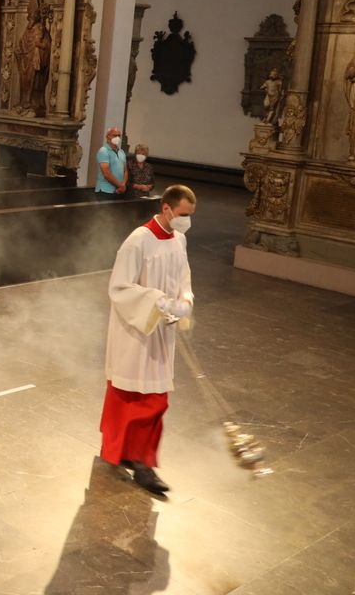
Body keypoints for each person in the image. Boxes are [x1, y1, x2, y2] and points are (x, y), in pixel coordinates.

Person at [100, 185, 197, 495]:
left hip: (162, 330)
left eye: (190, 217)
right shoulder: (138, 241)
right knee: (140, 398)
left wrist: (184, 302)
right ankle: (141, 463)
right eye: (183, 215)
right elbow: (119, 289)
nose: (187, 222)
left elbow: (184, 279)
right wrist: (157, 301)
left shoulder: (179, 240)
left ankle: (126, 452)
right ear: (166, 209)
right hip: (136, 331)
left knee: (150, 396)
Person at [95, 126, 128, 198]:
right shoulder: (103, 151)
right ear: (108, 137)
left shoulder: (121, 152)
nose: (117, 137)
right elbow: (106, 173)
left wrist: (123, 185)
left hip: (119, 191)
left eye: (119, 135)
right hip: (105, 190)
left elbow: (125, 171)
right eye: (114, 135)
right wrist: (120, 186)